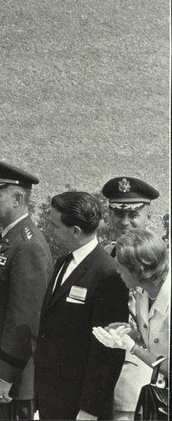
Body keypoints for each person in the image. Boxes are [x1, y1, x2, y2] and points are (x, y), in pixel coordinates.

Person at [0, 158, 53, 420]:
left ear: (18, 198)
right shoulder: (10, 238)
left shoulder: (28, 246)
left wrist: (6, 374)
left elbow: (26, 319)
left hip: (7, 381)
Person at [34, 191, 129, 420]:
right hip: (53, 398)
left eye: (55, 226)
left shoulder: (108, 274)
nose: (51, 231)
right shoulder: (64, 262)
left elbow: (108, 351)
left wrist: (90, 408)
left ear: (75, 231)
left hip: (80, 406)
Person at [101, 176, 160, 419]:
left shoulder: (158, 261)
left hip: (137, 372)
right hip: (101, 371)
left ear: (148, 215)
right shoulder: (105, 254)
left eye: (133, 214)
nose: (124, 222)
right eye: (118, 213)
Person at [93, 229, 169, 411]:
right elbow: (153, 342)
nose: (117, 270)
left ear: (139, 270)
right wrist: (132, 334)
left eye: (120, 266)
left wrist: (132, 347)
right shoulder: (142, 292)